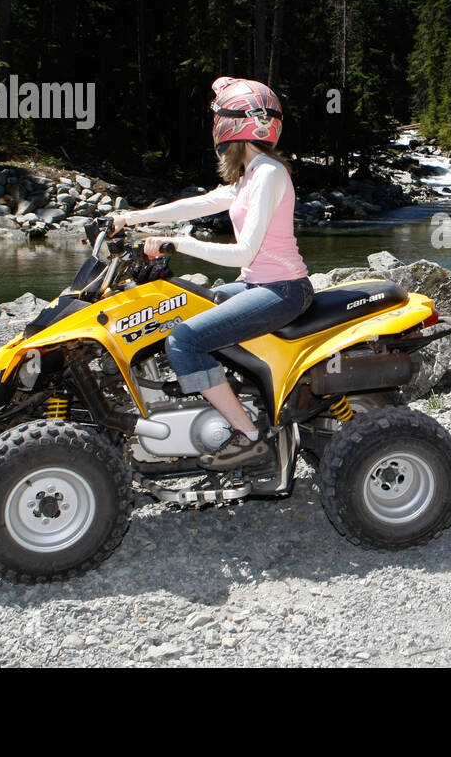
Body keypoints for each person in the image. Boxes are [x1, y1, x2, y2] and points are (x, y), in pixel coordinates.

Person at [111, 76, 313, 471]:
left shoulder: (268, 173)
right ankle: (231, 392)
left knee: (184, 341)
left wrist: (176, 243)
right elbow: (196, 205)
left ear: (232, 123)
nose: (215, 124)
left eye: (218, 115)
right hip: (263, 284)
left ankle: (249, 436)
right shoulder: (251, 175)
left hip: (282, 289)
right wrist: (130, 218)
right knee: (192, 305)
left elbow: (243, 251)